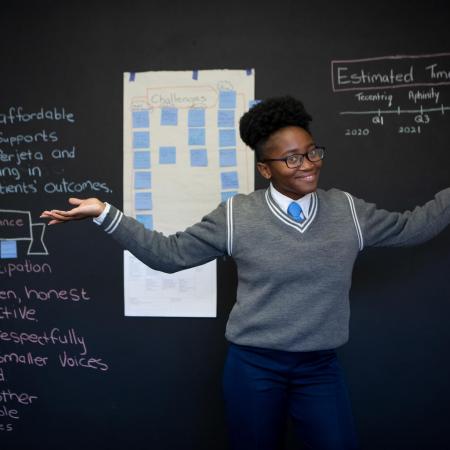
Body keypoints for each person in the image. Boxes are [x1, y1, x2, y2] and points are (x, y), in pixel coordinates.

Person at [41, 96, 450, 450]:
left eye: (312, 152)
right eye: (291, 158)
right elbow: (169, 255)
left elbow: (412, 227)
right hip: (254, 368)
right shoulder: (237, 216)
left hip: (319, 368)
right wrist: (105, 214)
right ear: (266, 169)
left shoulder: (346, 211)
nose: (308, 165)